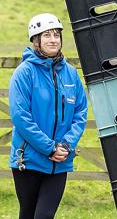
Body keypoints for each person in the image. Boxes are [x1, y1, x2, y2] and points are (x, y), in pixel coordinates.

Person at [9, 13, 88, 219]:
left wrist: (65, 145)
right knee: (28, 214)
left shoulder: (70, 73)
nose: (53, 40)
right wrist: (49, 147)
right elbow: (20, 116)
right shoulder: (24, 73)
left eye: (56, 35)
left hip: (60, 159)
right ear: (36, 41)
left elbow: (80, 112)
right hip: (29, 159)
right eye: (46, 35)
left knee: (44, 216)